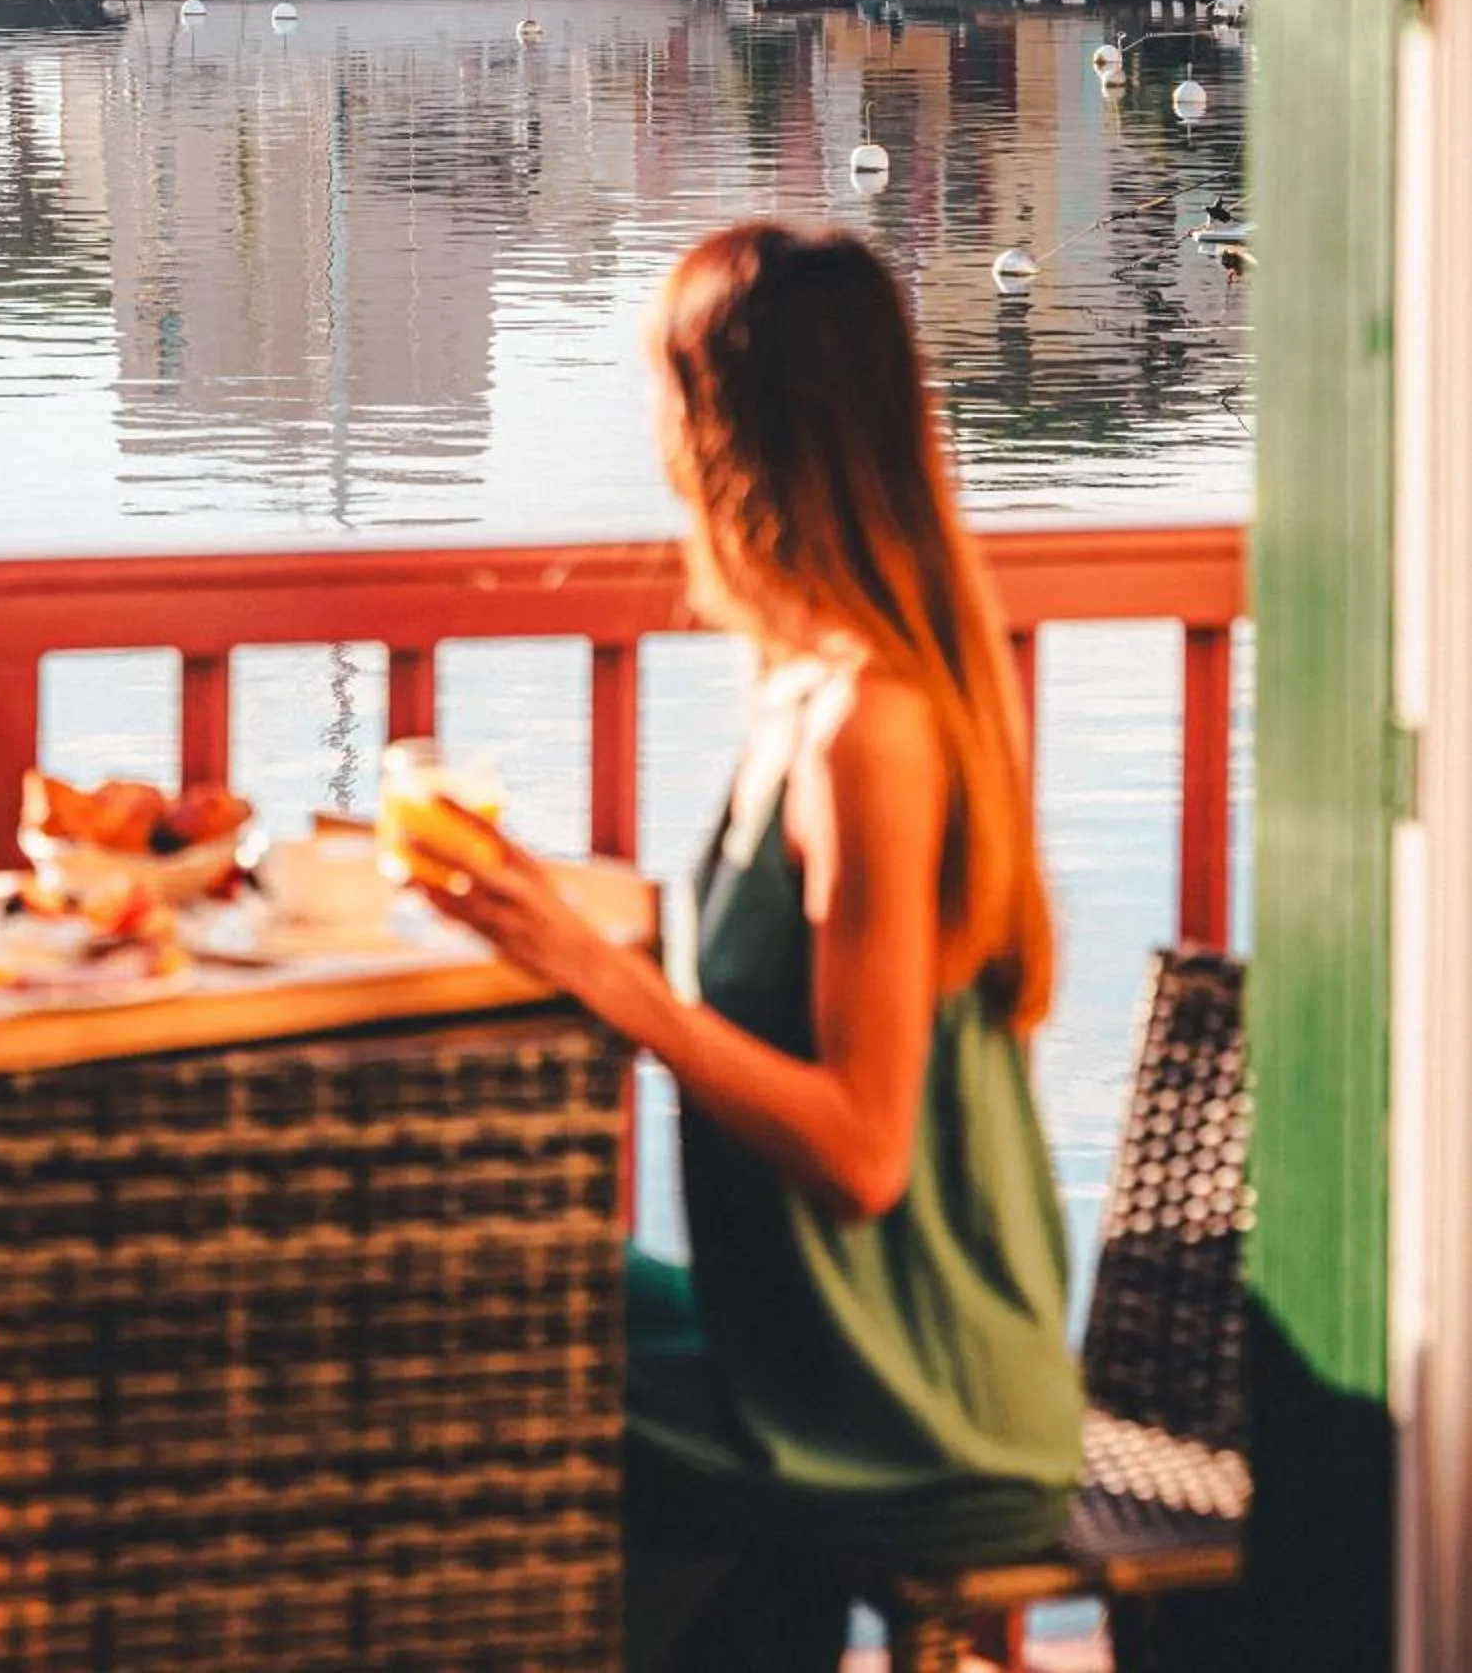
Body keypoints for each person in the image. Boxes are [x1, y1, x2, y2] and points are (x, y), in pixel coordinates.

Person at [417, 222, 1082, 1671]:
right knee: (495, 1282)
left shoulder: (869, 730)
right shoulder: (802, 689)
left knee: (474, 1358)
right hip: (802, 1349)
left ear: (724, 432)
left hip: (910, 1403)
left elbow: (860, 1151)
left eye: (664, 394)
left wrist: (612, 985)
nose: (649, 434)